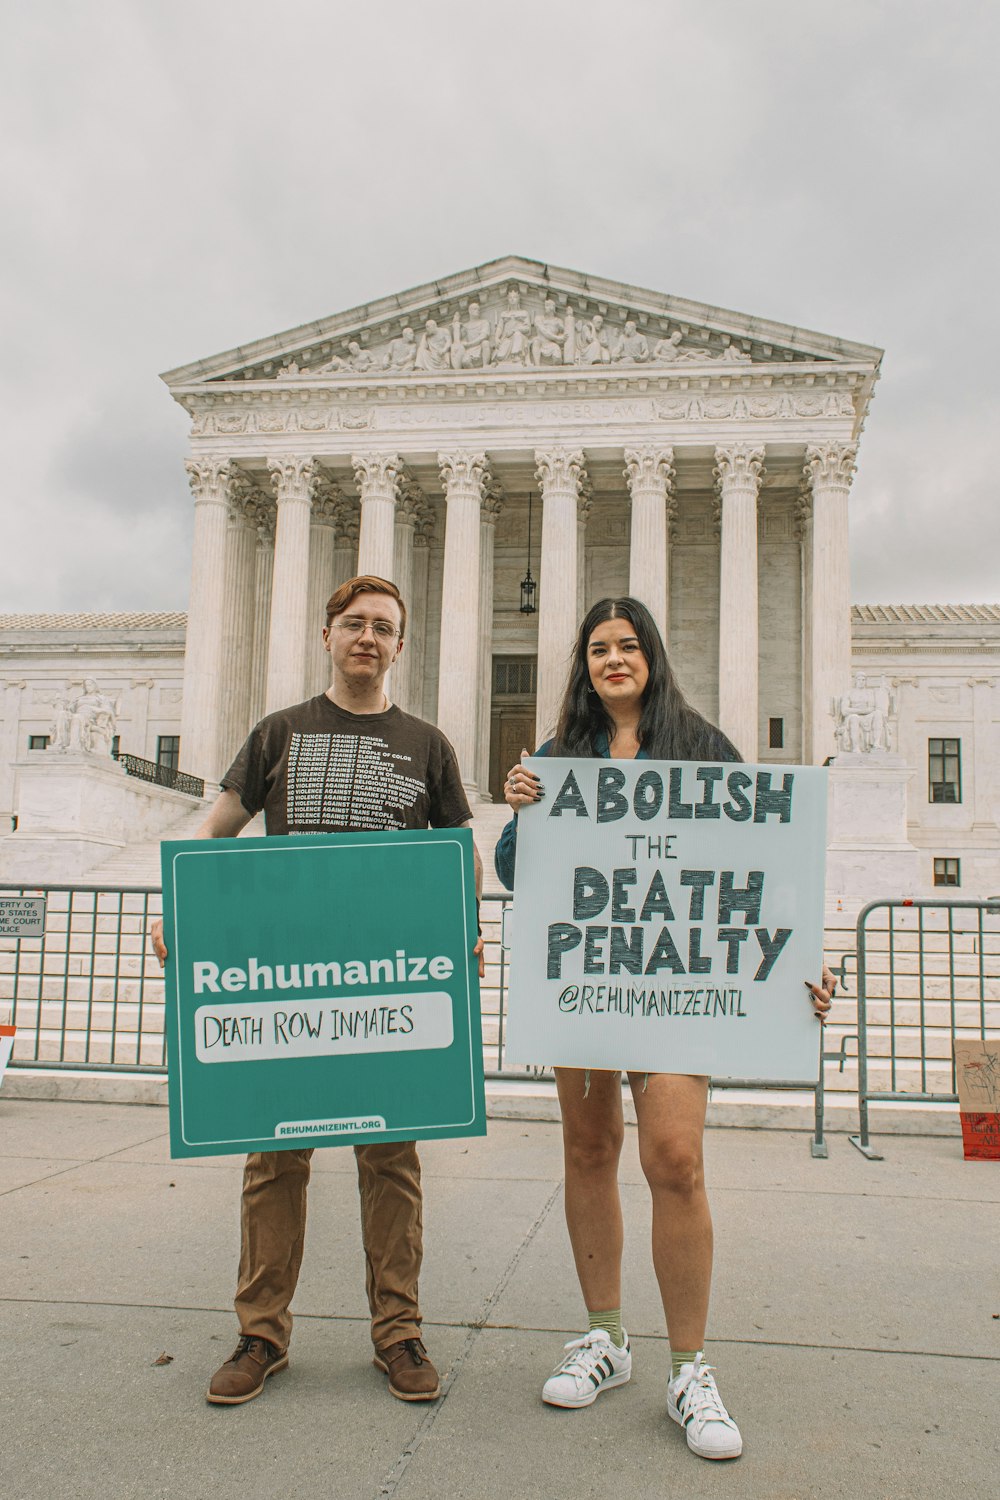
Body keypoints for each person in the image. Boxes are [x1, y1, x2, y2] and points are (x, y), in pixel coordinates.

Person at [494, 596, 835, 1462]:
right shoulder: (560, 758)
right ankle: (605, 1337)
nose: (615, 659)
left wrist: (801, 961)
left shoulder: (703, 746)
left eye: (629, 645)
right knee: (588, 1148)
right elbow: (516, 870)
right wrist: (520, 806)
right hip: (590, 977)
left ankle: (691, 1368)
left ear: (652, 655)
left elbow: (765, 862)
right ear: (585, 663)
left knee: (674, 1159)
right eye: (600, 648)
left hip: (675, 979)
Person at [152, 575, 484, 1408]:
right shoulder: (278, 735)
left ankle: (399, 1334)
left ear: (401, 645)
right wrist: (180, 912)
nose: (368, 637)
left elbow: (460, 857)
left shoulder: (429, 745)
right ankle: (261, 1333)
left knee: (392, 1162)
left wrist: (464, 926)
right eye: (354, 624)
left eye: (384, 627)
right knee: (274, 1160)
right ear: (327, 635)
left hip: (386, 982)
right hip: (287, 982)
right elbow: (218, 831)